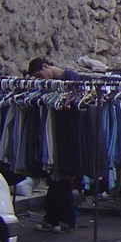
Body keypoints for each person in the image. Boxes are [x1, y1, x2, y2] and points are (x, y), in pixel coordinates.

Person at [27, 57, 82, 232]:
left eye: (39, 75)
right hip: (55, 133)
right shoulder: (52, 83)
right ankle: (52, 218)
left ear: (45, 66)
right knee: (55, 180)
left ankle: (64, 220)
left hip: (64, 134)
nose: (42, 79)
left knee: (61, 180)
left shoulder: (70, 77)